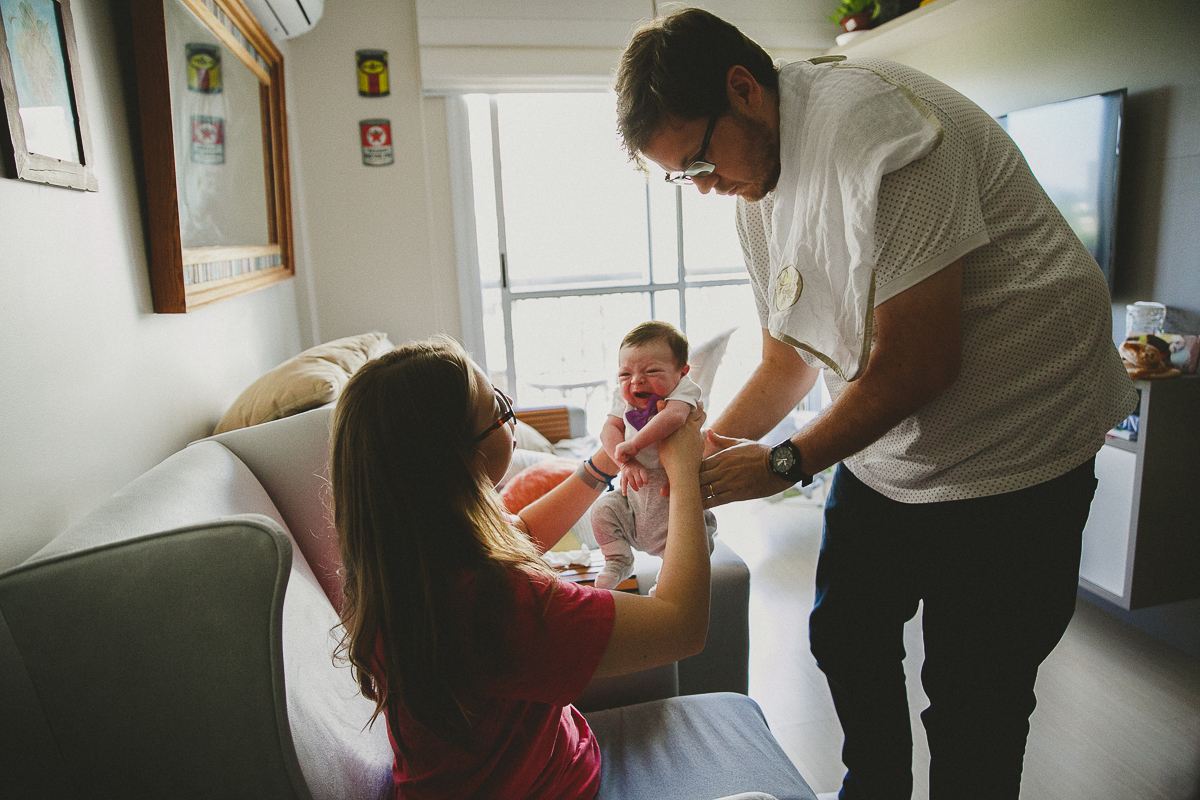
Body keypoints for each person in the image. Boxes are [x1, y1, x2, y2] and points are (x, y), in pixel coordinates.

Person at [614, 8, 1136, 800]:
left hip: (1019, 443)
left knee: (973, 700)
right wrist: (698, 441)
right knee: (845, 632)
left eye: (696, 161)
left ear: (744, 89)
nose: (705, 188)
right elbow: (785, 364)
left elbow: (923, 362)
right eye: (683, 178)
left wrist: (784, 462)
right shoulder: (755, 194)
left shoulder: (881, 136)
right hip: (894, 447)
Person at [330, 335, 711, 800]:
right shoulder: (500, 604)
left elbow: (515, 536)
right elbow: (683, 624)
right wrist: (683, 473)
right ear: (463, 459)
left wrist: (602, 465)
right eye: (498, 408)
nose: (509, 411)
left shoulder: (403, 566)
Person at [593, 321, 719, 589]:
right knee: (602, 510)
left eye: (651, 371)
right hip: (635, 501)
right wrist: (625, 462)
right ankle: (618, 560)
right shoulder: (623, 397)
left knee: (696, 539)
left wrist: (636, 444)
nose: (636, 380)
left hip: (675, 493)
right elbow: (609, 429)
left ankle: (669, 580)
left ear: (681, 371)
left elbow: (673, 416)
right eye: (625, 374)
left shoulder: (684, 390)